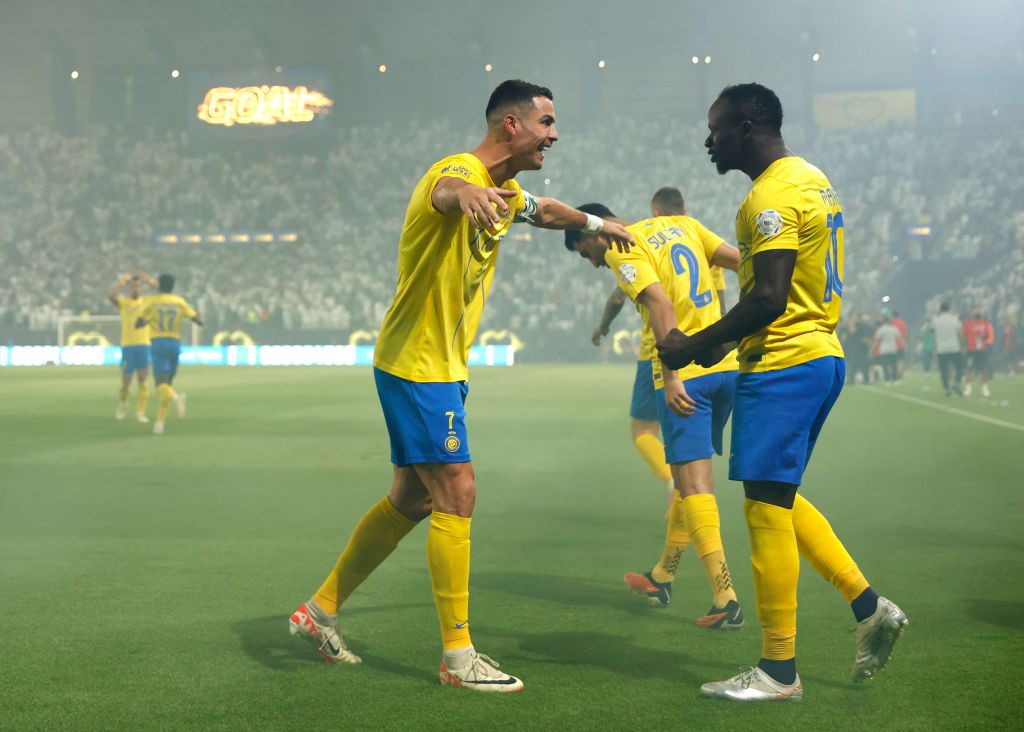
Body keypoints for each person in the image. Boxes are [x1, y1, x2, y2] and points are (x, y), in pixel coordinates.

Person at [288, 80, 633, 693]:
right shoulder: (455, 170)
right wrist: (464, 190)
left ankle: (319, 610)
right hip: (419, 364)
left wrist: (598, 221)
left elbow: (547, 211)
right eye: (546, 122)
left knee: (412, 500)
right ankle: (458, 656)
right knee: (458, 492)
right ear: (511, 125)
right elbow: (445, 193)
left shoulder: (508, 189)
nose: (554, 134)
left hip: (436, 364)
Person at [657, 83, 907, 701]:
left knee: (765, 507)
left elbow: (768, 296)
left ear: (746, 126)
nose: (708, 140)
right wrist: (716, 347)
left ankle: (778, 670)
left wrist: (690, 347)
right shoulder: (810, 178)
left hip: (786, 363)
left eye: (715, 128)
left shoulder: (770, 194)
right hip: (814, 355)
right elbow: (775, 295)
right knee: (778, 497)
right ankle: (869, 608)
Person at [568, 201, 746, 629]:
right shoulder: (683, 225)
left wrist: (670, 378)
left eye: (583, 252)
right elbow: (743, 263)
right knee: (691, 483)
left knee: (694, 485)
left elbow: (660, 305)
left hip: (686, 375)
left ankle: (725, 598)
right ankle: (662, 576)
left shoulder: (620, 247)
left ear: (594, 234)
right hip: (725, 367)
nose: (593, 263)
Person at [135, 274, 203, 435]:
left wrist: (149, 320)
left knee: (161, 385)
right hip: (174, 343)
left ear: (159, 285)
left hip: (158, 342)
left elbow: (138, 323)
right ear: (173, 287)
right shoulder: (179, 302)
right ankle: (160, 423)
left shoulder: (153, 301)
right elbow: (199, 321)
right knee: (168, 383)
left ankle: (176, 398)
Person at [107, 271, 156, 422]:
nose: (135, 289)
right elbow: (111, 295)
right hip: (128, 346)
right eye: (133, 286)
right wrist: (122, 281)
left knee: (143, 379)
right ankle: (123, 403)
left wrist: (148, 279)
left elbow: (162, 291)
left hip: (144, 345)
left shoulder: (147, 301)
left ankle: (140, 412)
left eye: (138, 286)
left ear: (141, 288)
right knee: (126, 382)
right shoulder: (124, 303)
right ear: (129, 288)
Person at [933, 302, 964, 396]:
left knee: (943, 369)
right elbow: (960, 332)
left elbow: (931, 328)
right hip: (954, 347)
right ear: (949, 309)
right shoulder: (954, 319)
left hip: (942, 348)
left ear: (940, 309)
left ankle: (946, 388)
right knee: (959, 367)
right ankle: (957, 383)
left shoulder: (936, 320)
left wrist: (937, 313)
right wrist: (962, 344)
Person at [962, 307, 995, 397]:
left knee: (983, 369)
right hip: (971, 350)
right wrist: (963, 346)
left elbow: (991, 337)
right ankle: (968, 389)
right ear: (972, 313)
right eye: (974, 311)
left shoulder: (986, 323)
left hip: (982, 350)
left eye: (978, 311)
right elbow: (962, 335)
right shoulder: (968, 324)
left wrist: (985, 342)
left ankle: (985, 389)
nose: (976, 312)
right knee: (969, 369)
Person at [872, 315, 903, 385]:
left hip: (884, 349)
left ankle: (887, 380)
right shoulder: (894, 329)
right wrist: (902, 347)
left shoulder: (881, 329)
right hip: (893, 348)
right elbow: (899, 338)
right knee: (893, 364)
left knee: (885, 365)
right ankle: (895, 379)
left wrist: (873, 349)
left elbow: (877, 341)